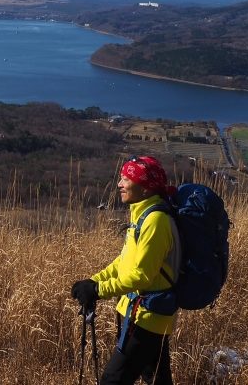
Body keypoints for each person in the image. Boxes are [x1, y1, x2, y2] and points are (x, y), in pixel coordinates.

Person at [71, 156, 181, 385]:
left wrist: (99, 290)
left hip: (146, 318)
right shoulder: (142, 215)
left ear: (145, 186)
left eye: (126, 178)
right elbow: (124, 262)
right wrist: (93, 282)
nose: (119, 184)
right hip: (146, 315)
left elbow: (141, 275)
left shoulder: (156, 221)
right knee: (158, 380)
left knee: (113, 381)